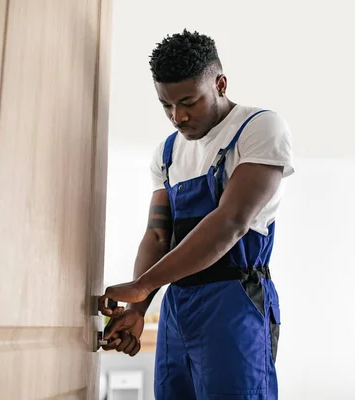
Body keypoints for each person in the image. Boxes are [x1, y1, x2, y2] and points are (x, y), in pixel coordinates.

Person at [98, 29, 294, 399]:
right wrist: (138, 310)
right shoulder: (167, 152)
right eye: (167, 105)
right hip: (177, 307)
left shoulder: (260, 128)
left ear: (220, 84)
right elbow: (157, 236)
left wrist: (142, 285)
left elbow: (230, 224)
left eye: (189, 102)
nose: (178, 117)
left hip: (235, 301)